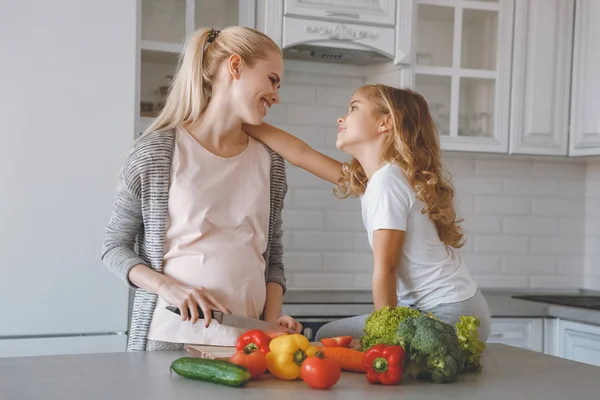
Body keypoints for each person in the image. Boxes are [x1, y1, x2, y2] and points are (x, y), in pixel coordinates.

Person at [102, 26, 302, 352]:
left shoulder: (270, 162)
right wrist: (167, 288)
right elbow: (113, 247)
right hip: (169, 339)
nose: (276, 94)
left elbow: (272, 258)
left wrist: (270, 327)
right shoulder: (156, 154)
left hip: (246, 345)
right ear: (235, 66)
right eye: (271, 79)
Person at [244, 84, 492, 342]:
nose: (342, 117)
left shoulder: (387, 181)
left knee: (334, 340)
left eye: (353, 108)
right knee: (330, 335)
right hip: (457, 306)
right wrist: (243, 122)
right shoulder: (376, 180)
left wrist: (385, 339)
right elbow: (301, 154)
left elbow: (386, 269)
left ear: (385, 123)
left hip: (448, 314)